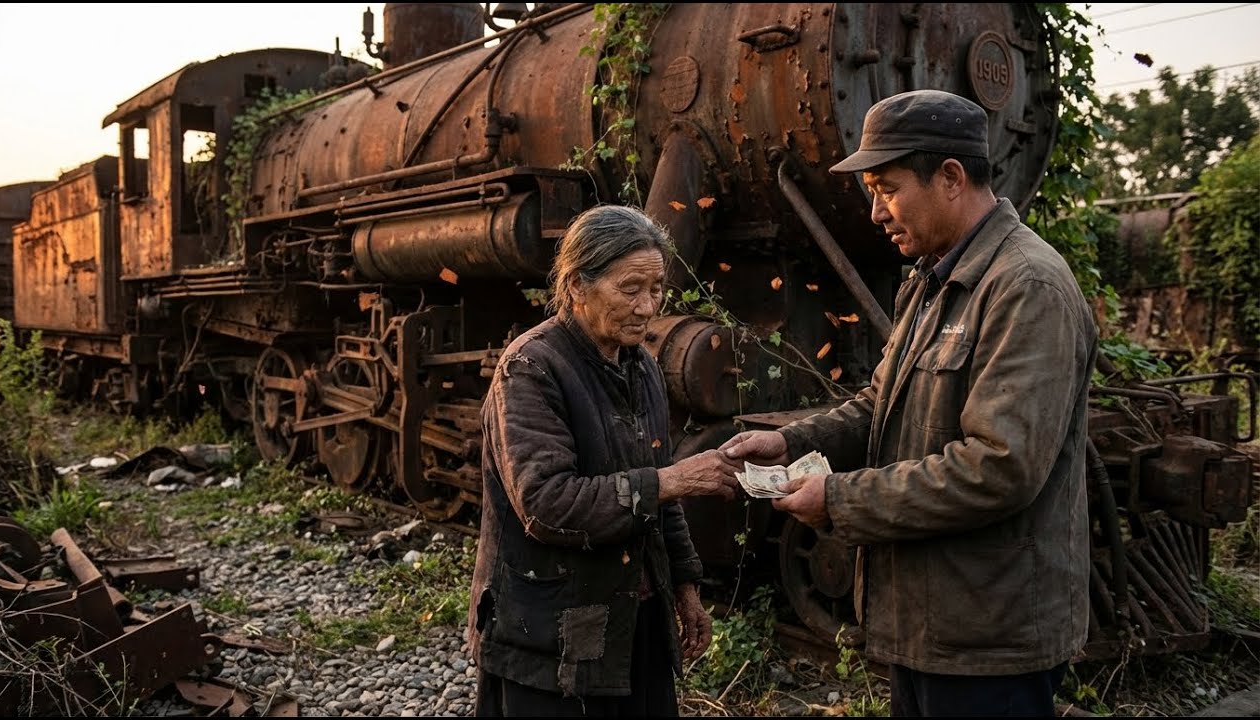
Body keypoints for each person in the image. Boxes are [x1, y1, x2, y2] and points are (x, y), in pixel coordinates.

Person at [721, 89, 1098, 717]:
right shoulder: (931, 279)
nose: (875, 213)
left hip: (988, 637)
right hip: (930, 628)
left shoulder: (1025, 286)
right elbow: (881, 402)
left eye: (887, 188)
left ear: (950, 177)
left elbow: (999, 467)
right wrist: (790, 442)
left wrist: (838, 500)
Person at [467, 204, 740, 717]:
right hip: (549, 635)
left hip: (634, 622)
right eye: (630, 288)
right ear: (575, 285)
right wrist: (668, 481)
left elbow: (663, 497)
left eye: (657, 288)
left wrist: (684, 587)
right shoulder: (531, 368)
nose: (647, 307)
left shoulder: (642, 368)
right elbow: (546, 504)